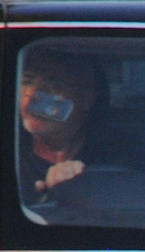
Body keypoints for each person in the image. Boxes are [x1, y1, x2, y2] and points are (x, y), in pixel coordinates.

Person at [18, 51, 106, 198]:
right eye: (27, 82)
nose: (34, 96)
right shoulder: (2, 158)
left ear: (87, 99)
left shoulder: (115, 157)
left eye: (53, 85)